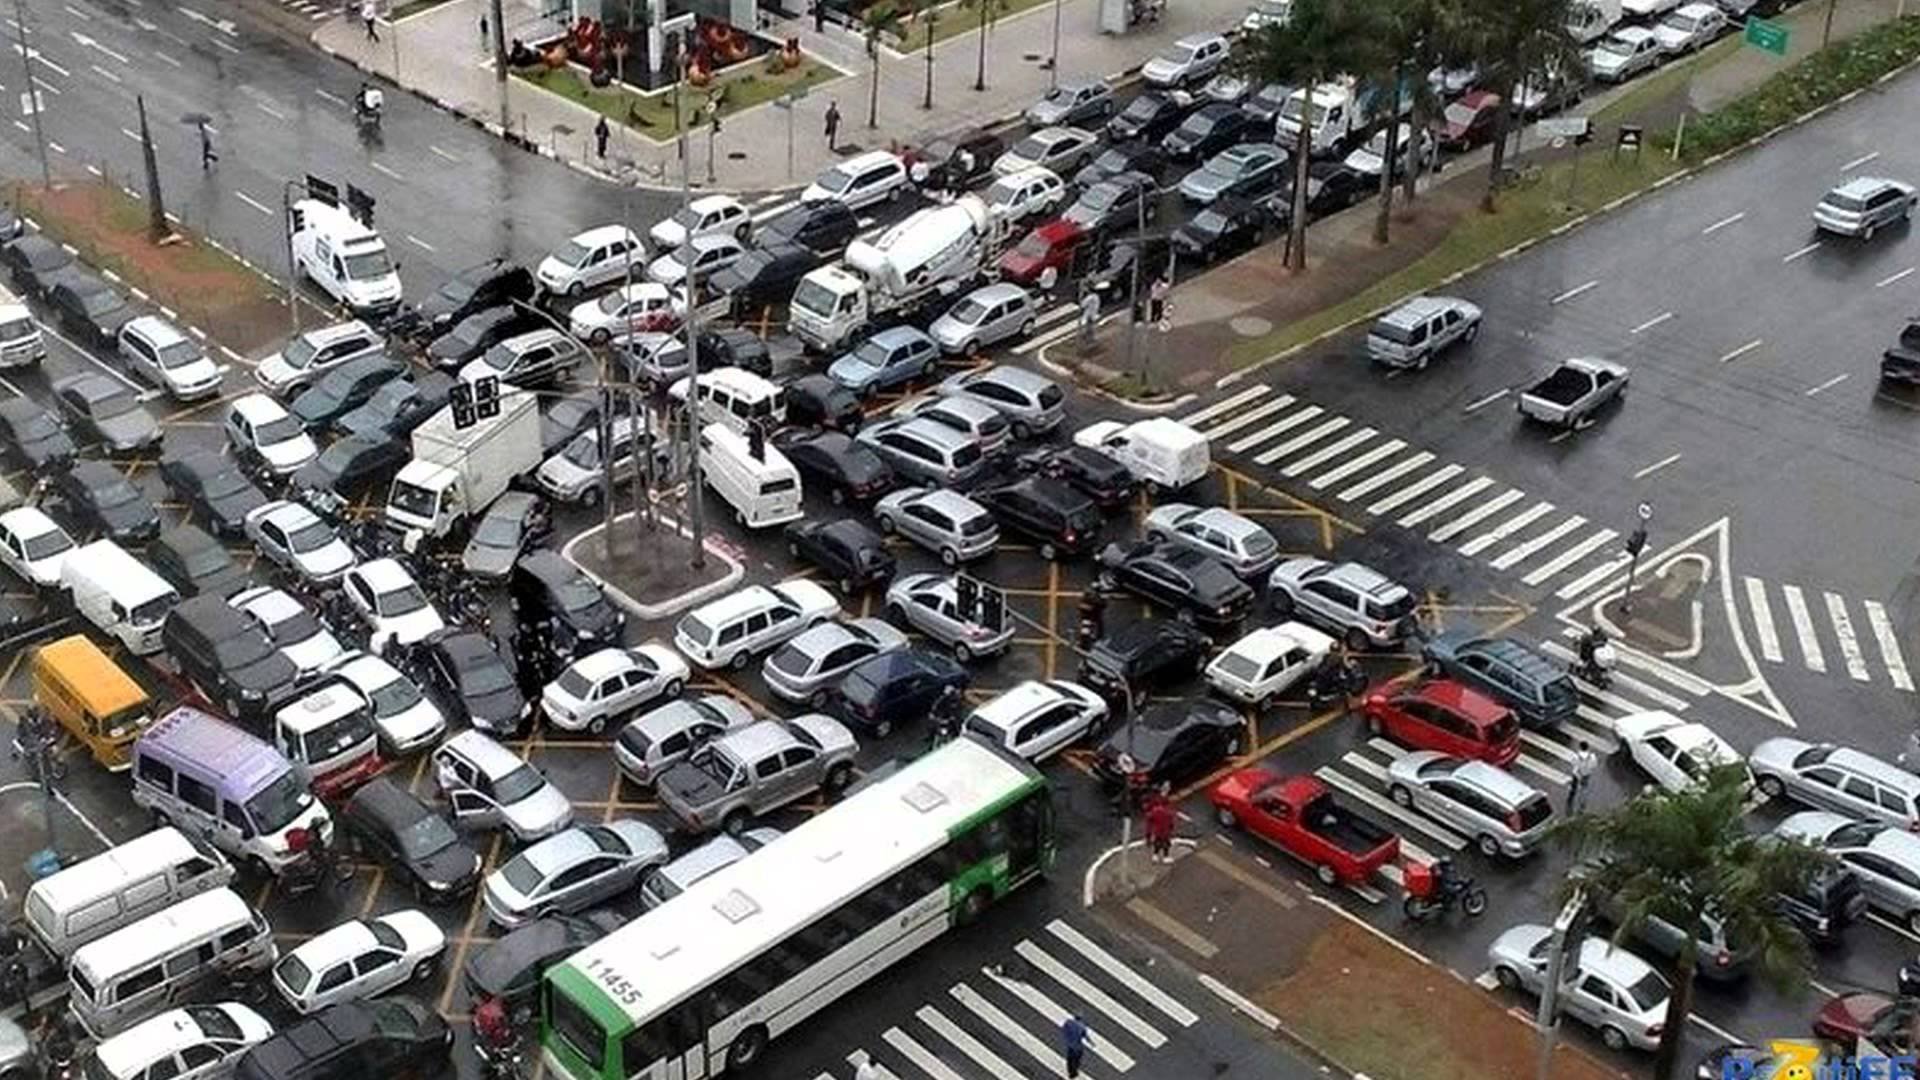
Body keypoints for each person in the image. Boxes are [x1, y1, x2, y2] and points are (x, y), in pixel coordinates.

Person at [1144, 788, 1176, 864]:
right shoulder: (1168, 813)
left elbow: (1149, 824)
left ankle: (1155, 856)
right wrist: (1171, 829)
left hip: (1157, 831)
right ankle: (1166, 857)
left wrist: (1148, 836)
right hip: (1166, 832)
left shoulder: (1154, 812)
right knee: (1166, 844)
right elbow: (1171, 823)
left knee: (1157, 843)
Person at [1567, 739, 1598, 815]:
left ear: (1580, 747)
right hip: (1586, 774)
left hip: (1577, 774)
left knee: (1574, 787)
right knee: (1584, 789)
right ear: (1588, 748)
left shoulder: (1576, 756)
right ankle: (1582, 805)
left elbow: (1573, 763)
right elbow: (1594, 765)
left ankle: (1570, 799)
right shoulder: (1592, 756)